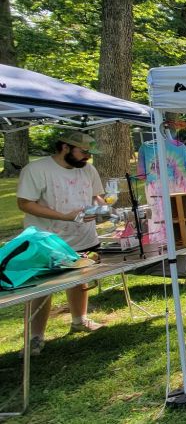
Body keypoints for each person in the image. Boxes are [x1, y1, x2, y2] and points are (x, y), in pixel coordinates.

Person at [16, 131, 107, 355]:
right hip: (47, 241)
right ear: (65, 147)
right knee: (41, 289)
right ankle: (35, 337)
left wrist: (102, 207)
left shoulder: (88, 169)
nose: (87, 157)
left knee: (80, 280)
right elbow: (25, 203)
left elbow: (96, 196)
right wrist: (64, 216)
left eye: (89, 153)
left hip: (84, 237)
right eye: (83, 152)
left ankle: (79, 320)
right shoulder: (36, 169)